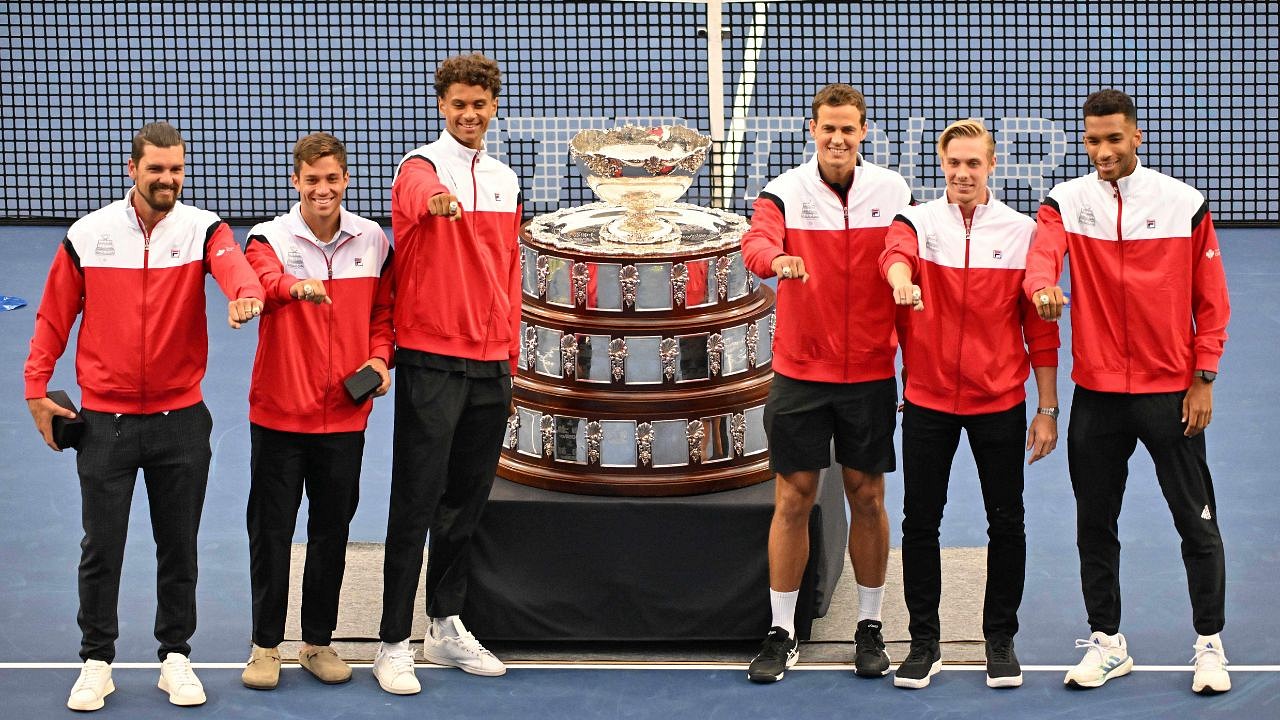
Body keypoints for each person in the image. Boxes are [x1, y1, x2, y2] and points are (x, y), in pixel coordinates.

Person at [23, 121, 265, 711]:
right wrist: (36, 386)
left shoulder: (203, 228)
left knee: (177, 544)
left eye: (176, 169)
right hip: (106, 423)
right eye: (156, 169)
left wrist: (243, 291)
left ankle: (175, 656)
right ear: (133, 170)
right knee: (101, 545)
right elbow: (54, 318)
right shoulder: (88, 235)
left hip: (181, 420)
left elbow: (232, 263)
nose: (168, 180)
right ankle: (96, 661)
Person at [1024, 89, 1232, 694]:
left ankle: (1210, 645)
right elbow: (1043, 258)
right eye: (1093, 140)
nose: (1103, 151)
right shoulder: (1066, 201)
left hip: (1171, 393)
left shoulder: (1183, 204)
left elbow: (1211, 301)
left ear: (1136, 136)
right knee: (1095, 523)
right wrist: (1042, 289)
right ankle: (1108, 642)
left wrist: (1203, 377)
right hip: (1097, 397)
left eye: (1114, 138)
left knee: (1196, 524)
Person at [879, 119, 1060, 690]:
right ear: (941, 163)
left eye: (973, 164)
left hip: (999, 402)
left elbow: (1041, 332)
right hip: (928, 402)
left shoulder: (1021, 231)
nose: (963, 173)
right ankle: (924, 641)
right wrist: (903, 280)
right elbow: (894, 255)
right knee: (920, 522)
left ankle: (999, 639)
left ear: (992, 165)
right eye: (954, 163)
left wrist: (1047, 409)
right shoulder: (917, 221)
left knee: (1007, 521)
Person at [740, 83, 912, 683]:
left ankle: (870, 625)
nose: (838, 138)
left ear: (863, 132)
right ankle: (781, 631)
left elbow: (902, 248)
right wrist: (776, 261)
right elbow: (756, 243)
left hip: (868, 372)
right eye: (827, 128)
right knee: (794, 497)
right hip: (799, 372)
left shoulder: (892, 191)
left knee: (867, 496)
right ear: (812, 131)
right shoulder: (784, 192)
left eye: (849, 128)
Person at [373, 52, 523, 695]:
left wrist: (511, 352)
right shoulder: (419, 168)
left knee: (465, 502)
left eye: (479, 104)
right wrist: (434, 202)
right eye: (458, 104)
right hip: (433, 357)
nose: (469, 114)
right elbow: (413, 196)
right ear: (442, 106)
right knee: (416, 499)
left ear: (493, 108)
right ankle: (390, 642)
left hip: (491, 361)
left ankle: (445, 623)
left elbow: (509, 271)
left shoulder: (506, 179)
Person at [238, 132, 394, 690]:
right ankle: (264, 647)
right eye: (312, 180)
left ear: (345, 179)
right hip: (280, 416)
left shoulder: (373, 240)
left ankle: (318, 643)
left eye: (332, 179)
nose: (322, 189)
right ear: (295, 182)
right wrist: (292, 287)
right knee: (271, 533)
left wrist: (379, 359)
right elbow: (261, 278)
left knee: (332, 532)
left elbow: (384, 312)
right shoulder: (269, 237)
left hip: (344, 419)